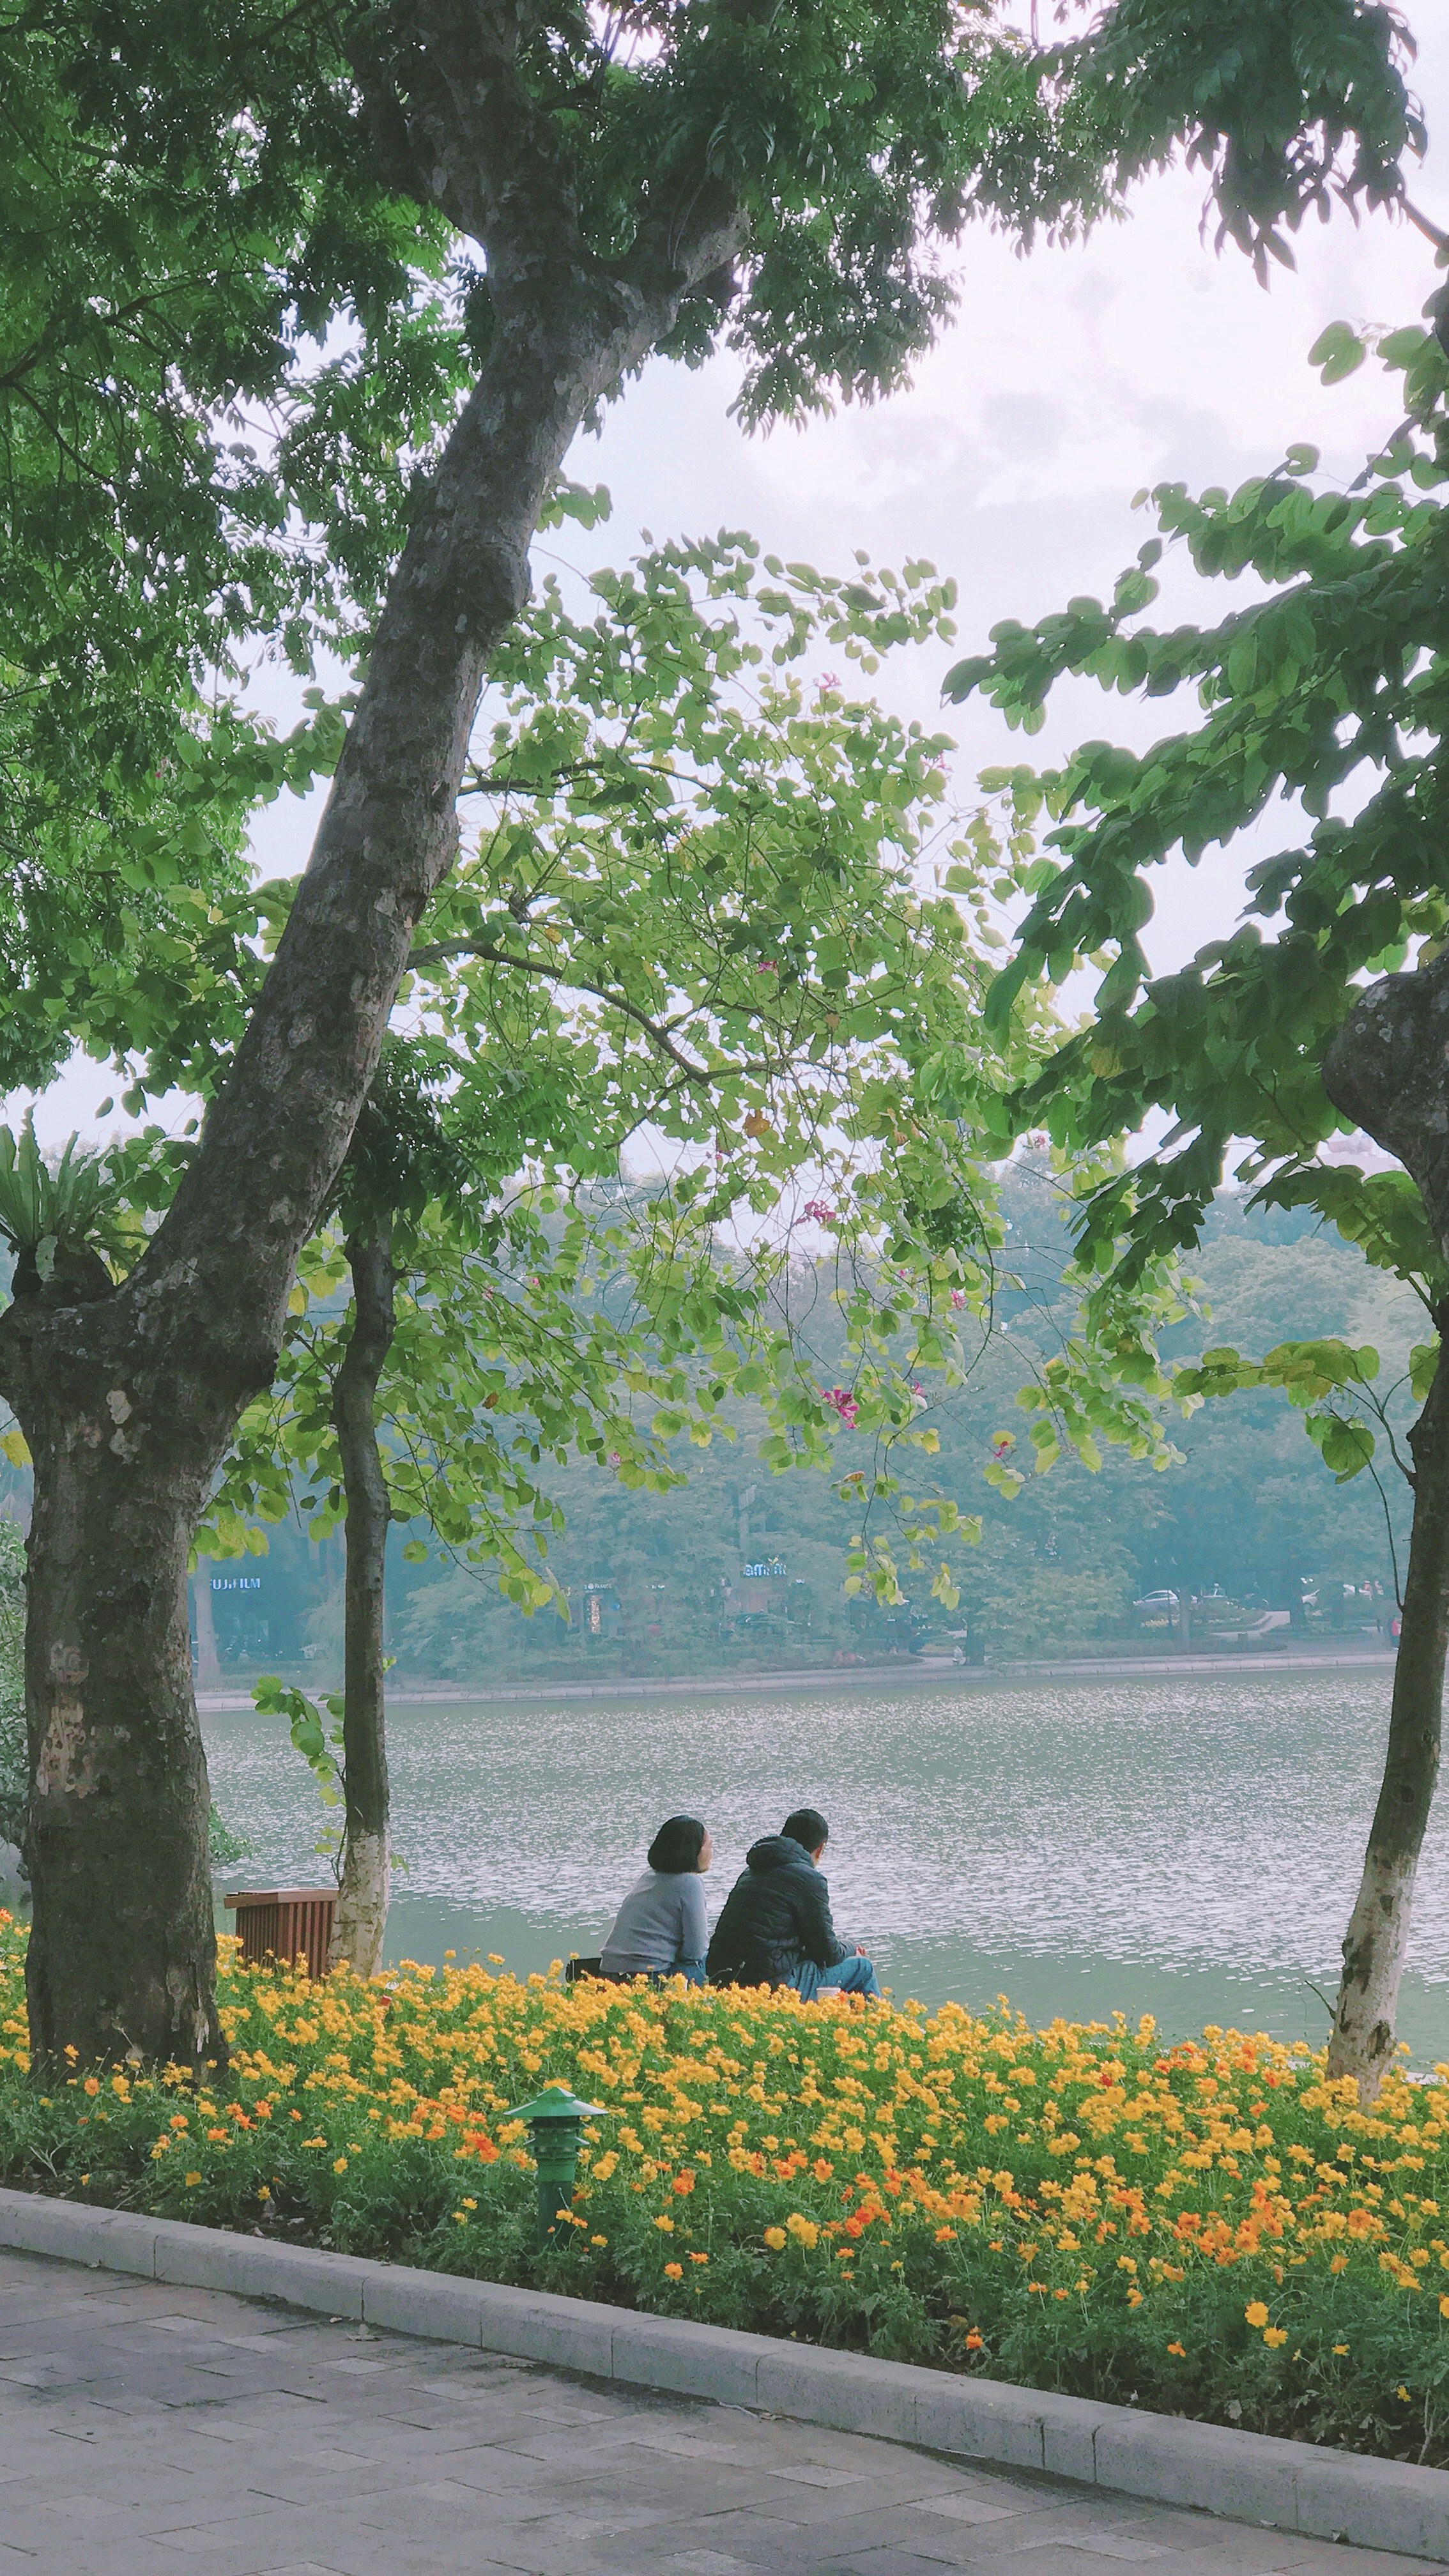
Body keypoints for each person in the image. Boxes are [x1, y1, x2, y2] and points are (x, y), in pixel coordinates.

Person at [706, 1807, 880, 2000]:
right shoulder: (809, 1879)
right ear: (820, 1848)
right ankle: (875, 2027)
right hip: (768, 1986)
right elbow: (827, 1954)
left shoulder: (751, 1872)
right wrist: (851, 1948)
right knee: (862, 1968)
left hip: (722, 1980)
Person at [600, 1814, 712, 1984]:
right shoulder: (690, 1883)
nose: (712, 1853)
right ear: (694, 1850)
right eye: (709, 1846)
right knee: (704, 1959)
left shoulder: (648, 1877)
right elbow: (695, 1950)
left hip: (609, 1971)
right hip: (649, 1974)